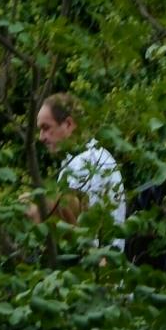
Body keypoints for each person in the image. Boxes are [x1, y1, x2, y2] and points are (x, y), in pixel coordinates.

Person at [30, 93, 125, 252]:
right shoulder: (97, 154)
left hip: (94, 261)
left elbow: (73, 228)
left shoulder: (82, 164)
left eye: (46, 128)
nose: (41, 137)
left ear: (68, 124)